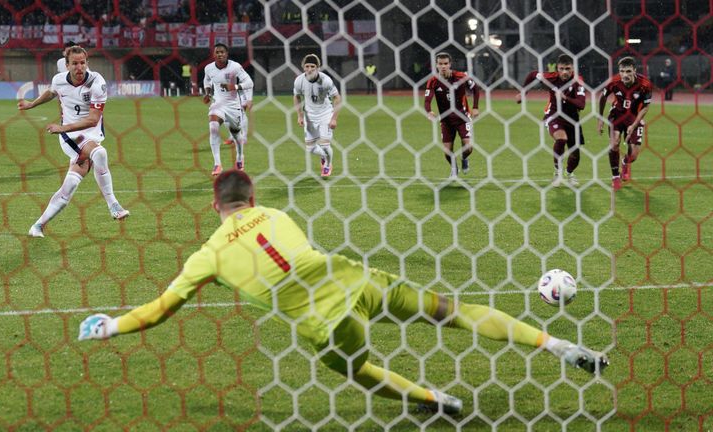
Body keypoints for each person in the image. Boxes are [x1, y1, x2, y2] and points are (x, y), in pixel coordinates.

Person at [79, 169, 609, 415]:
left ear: (214, 207)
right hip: (355, 278)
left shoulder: (207, 254)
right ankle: (556, 346)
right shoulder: (276, 211)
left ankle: (435, 399)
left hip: (327, 322)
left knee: (355, 371)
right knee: (455, 311)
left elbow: (160, 311)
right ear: (253, 197)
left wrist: (112, 325)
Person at [18, 45, 129, 238]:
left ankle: (38, 225)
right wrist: (32, 104)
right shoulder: (59, 80)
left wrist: (62, 127)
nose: (80, 67)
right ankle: (113, 205)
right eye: (75, 63)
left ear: (87, 63)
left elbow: (94, 119)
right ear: (67, 65)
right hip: (71, 137)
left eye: (83, 63)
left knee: (70, 184)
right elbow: (52, 92)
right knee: (100, 153)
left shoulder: (97, 82)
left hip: (89, 132)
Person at [517, 54, 586, 187]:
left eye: (567, 68)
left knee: (575, 155)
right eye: (561, 69)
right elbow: (532, 74)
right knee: (561, 139)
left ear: (573, 68)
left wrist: (565, 98)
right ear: (557, 68)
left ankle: (569, 173)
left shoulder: (578, 81)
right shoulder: (551, 77)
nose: (564, 72)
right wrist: (523, 93)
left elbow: (581, 104)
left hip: (572, 120)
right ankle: (557, 172)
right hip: (554, 116)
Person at [597, 56, 653, 191]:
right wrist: (600, 118)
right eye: (622, 71)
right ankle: (615, 176)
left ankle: (625, 163)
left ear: (634, 70)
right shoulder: (614, 82)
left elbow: (645, 107)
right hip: (617, 115)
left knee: (633, 154)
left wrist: (634, 125)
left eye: (628, 71)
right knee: (615, 143)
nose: (625, 75)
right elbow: (603, 97)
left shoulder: (645, 84)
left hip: (634, 117)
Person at [424, 52, 480, 178]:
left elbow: (476, 89)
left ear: (450, 64)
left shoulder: (460, 77)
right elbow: (427, 100)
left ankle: (464, 159)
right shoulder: (433, 81)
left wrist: (475, 107)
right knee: (447, 152)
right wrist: (429, 111)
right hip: (446, 120)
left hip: (462, 118)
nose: (443, 66)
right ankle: (454, 169)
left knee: (468, 147)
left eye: (445, 64)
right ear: (436, 65)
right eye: (440, 64)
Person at [203, 43, 253, 176]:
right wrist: (208, 93)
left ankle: (240, 157)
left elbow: (249, 83)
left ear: (227, 54)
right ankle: (217, 164)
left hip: (233, 107)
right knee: (213, 126)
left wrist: (234, 87)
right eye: (217, 52)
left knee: (236, 135)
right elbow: (207, 81)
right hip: (218, 104)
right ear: (214, 54)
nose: (220, 54)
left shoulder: (235, 67)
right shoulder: (209, 68)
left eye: (222, 52)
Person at [293, 54, 341, 177]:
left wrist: (334, 119)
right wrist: (299, 115)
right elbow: (296, 97)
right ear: (303, 67)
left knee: (325, 145)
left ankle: (327, 165)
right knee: (310, 148)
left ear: (318, 67)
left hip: (325, 114)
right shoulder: (299, 80)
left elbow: (337, 98)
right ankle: (324, 157)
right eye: (307, 66)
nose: (309, 69)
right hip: (309, 116)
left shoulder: (326, 81)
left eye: (312, 66)